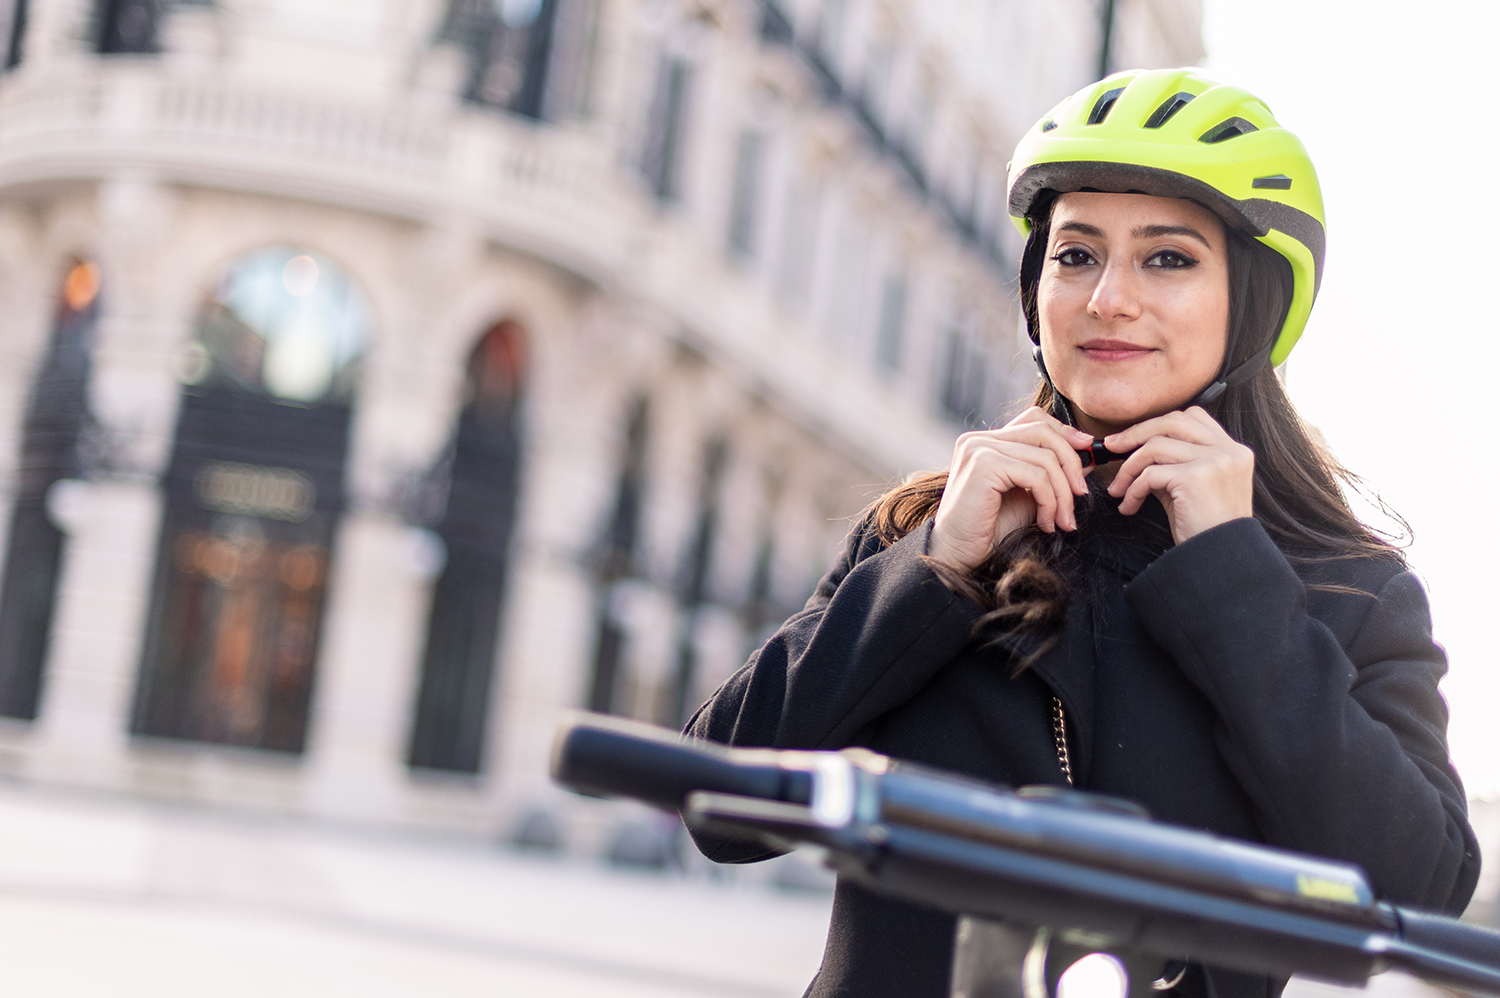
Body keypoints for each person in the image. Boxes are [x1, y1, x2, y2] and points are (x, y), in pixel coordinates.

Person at [684, 68, 1480, 998]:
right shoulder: (930, 532)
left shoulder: (1346, 586)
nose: (1107, 299)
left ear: (1252, 303)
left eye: (1168, 258)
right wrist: (934, 567)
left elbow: (1419, 887)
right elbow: (722, 806)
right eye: (1075, 255)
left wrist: (1235, 576)